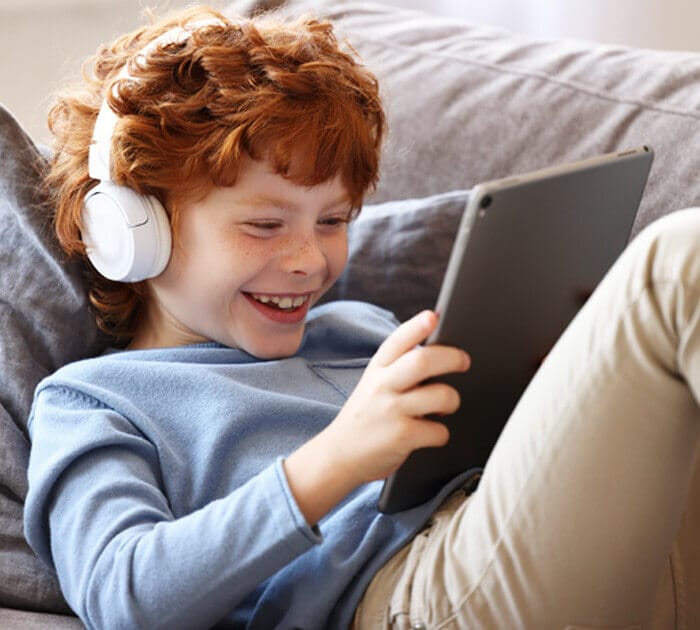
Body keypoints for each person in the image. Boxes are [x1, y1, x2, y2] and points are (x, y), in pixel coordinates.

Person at [23, 4, 699, 629]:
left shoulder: (358, 329)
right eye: (263, 224)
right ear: (132, 230)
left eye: (334, 220)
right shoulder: (94, 404)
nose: (308, 260)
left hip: (559, 544)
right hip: (412, 595)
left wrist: (556, 394)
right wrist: (334, 462)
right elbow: (124, 594)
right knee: (679, 260)